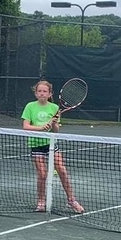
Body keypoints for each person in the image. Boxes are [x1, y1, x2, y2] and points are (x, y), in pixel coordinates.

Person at [21, 80, 84, 213]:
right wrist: (40, 128)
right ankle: (41, 201)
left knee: (62, 170)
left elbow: (55, 131)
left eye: (45, 91)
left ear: (50, 94)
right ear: (36, 93)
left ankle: (71, 200)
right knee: (42, 174)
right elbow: (26, 126)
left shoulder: (55, 108)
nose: (42, 93)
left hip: (51, 144)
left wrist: (54, 123)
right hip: (36, 145)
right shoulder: (30, 106)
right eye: (39, 91)